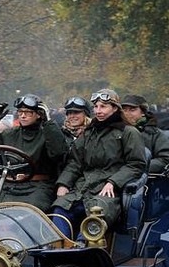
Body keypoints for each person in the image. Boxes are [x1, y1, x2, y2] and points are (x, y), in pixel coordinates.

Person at [52, 88, 147, 237]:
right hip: (83, 187)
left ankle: (83, 247)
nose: (98, 111)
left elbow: (136, 164)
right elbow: (75, 163)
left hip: (110, 190)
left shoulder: (128, 132)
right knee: (60, 209)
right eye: (96, 106)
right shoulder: (90, 132)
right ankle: (61, 246)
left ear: (115, 108)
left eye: (103, 106)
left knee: (96, 213)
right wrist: (63, 184)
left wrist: (113, 182)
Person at [0, 94, 68, 212]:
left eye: (28, 112)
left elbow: (59, 153)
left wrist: (48, 123)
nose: (23, 116)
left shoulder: (48, 134)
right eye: (20, 112)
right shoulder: (9, 134)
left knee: (30, 214)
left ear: (39, 114)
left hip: (38, 187)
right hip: (10, 186)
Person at [121, 95, 169, 174]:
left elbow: (165, 159)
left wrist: (138, 167)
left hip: (143, 178)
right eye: (124, 110)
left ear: (142, 112)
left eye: (132, 110)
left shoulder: (155, 134)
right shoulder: (114, 131)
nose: (127, 113)